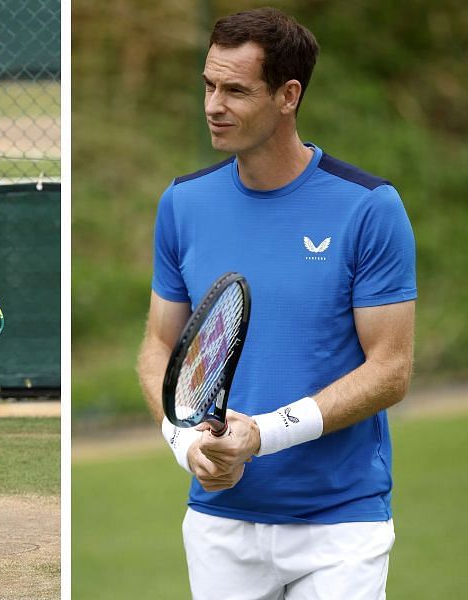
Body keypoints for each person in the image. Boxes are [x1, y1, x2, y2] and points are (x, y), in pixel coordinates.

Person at [136, 8, 417, 599]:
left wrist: (262, 434)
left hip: (342, 524)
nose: (213, 104)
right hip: (219, 524)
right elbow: (160, 346)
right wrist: (186, 445)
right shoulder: (183, 204)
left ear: (288, 95)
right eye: (208, 85)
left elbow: (390, 370)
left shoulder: (369, 207)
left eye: (235, 90)